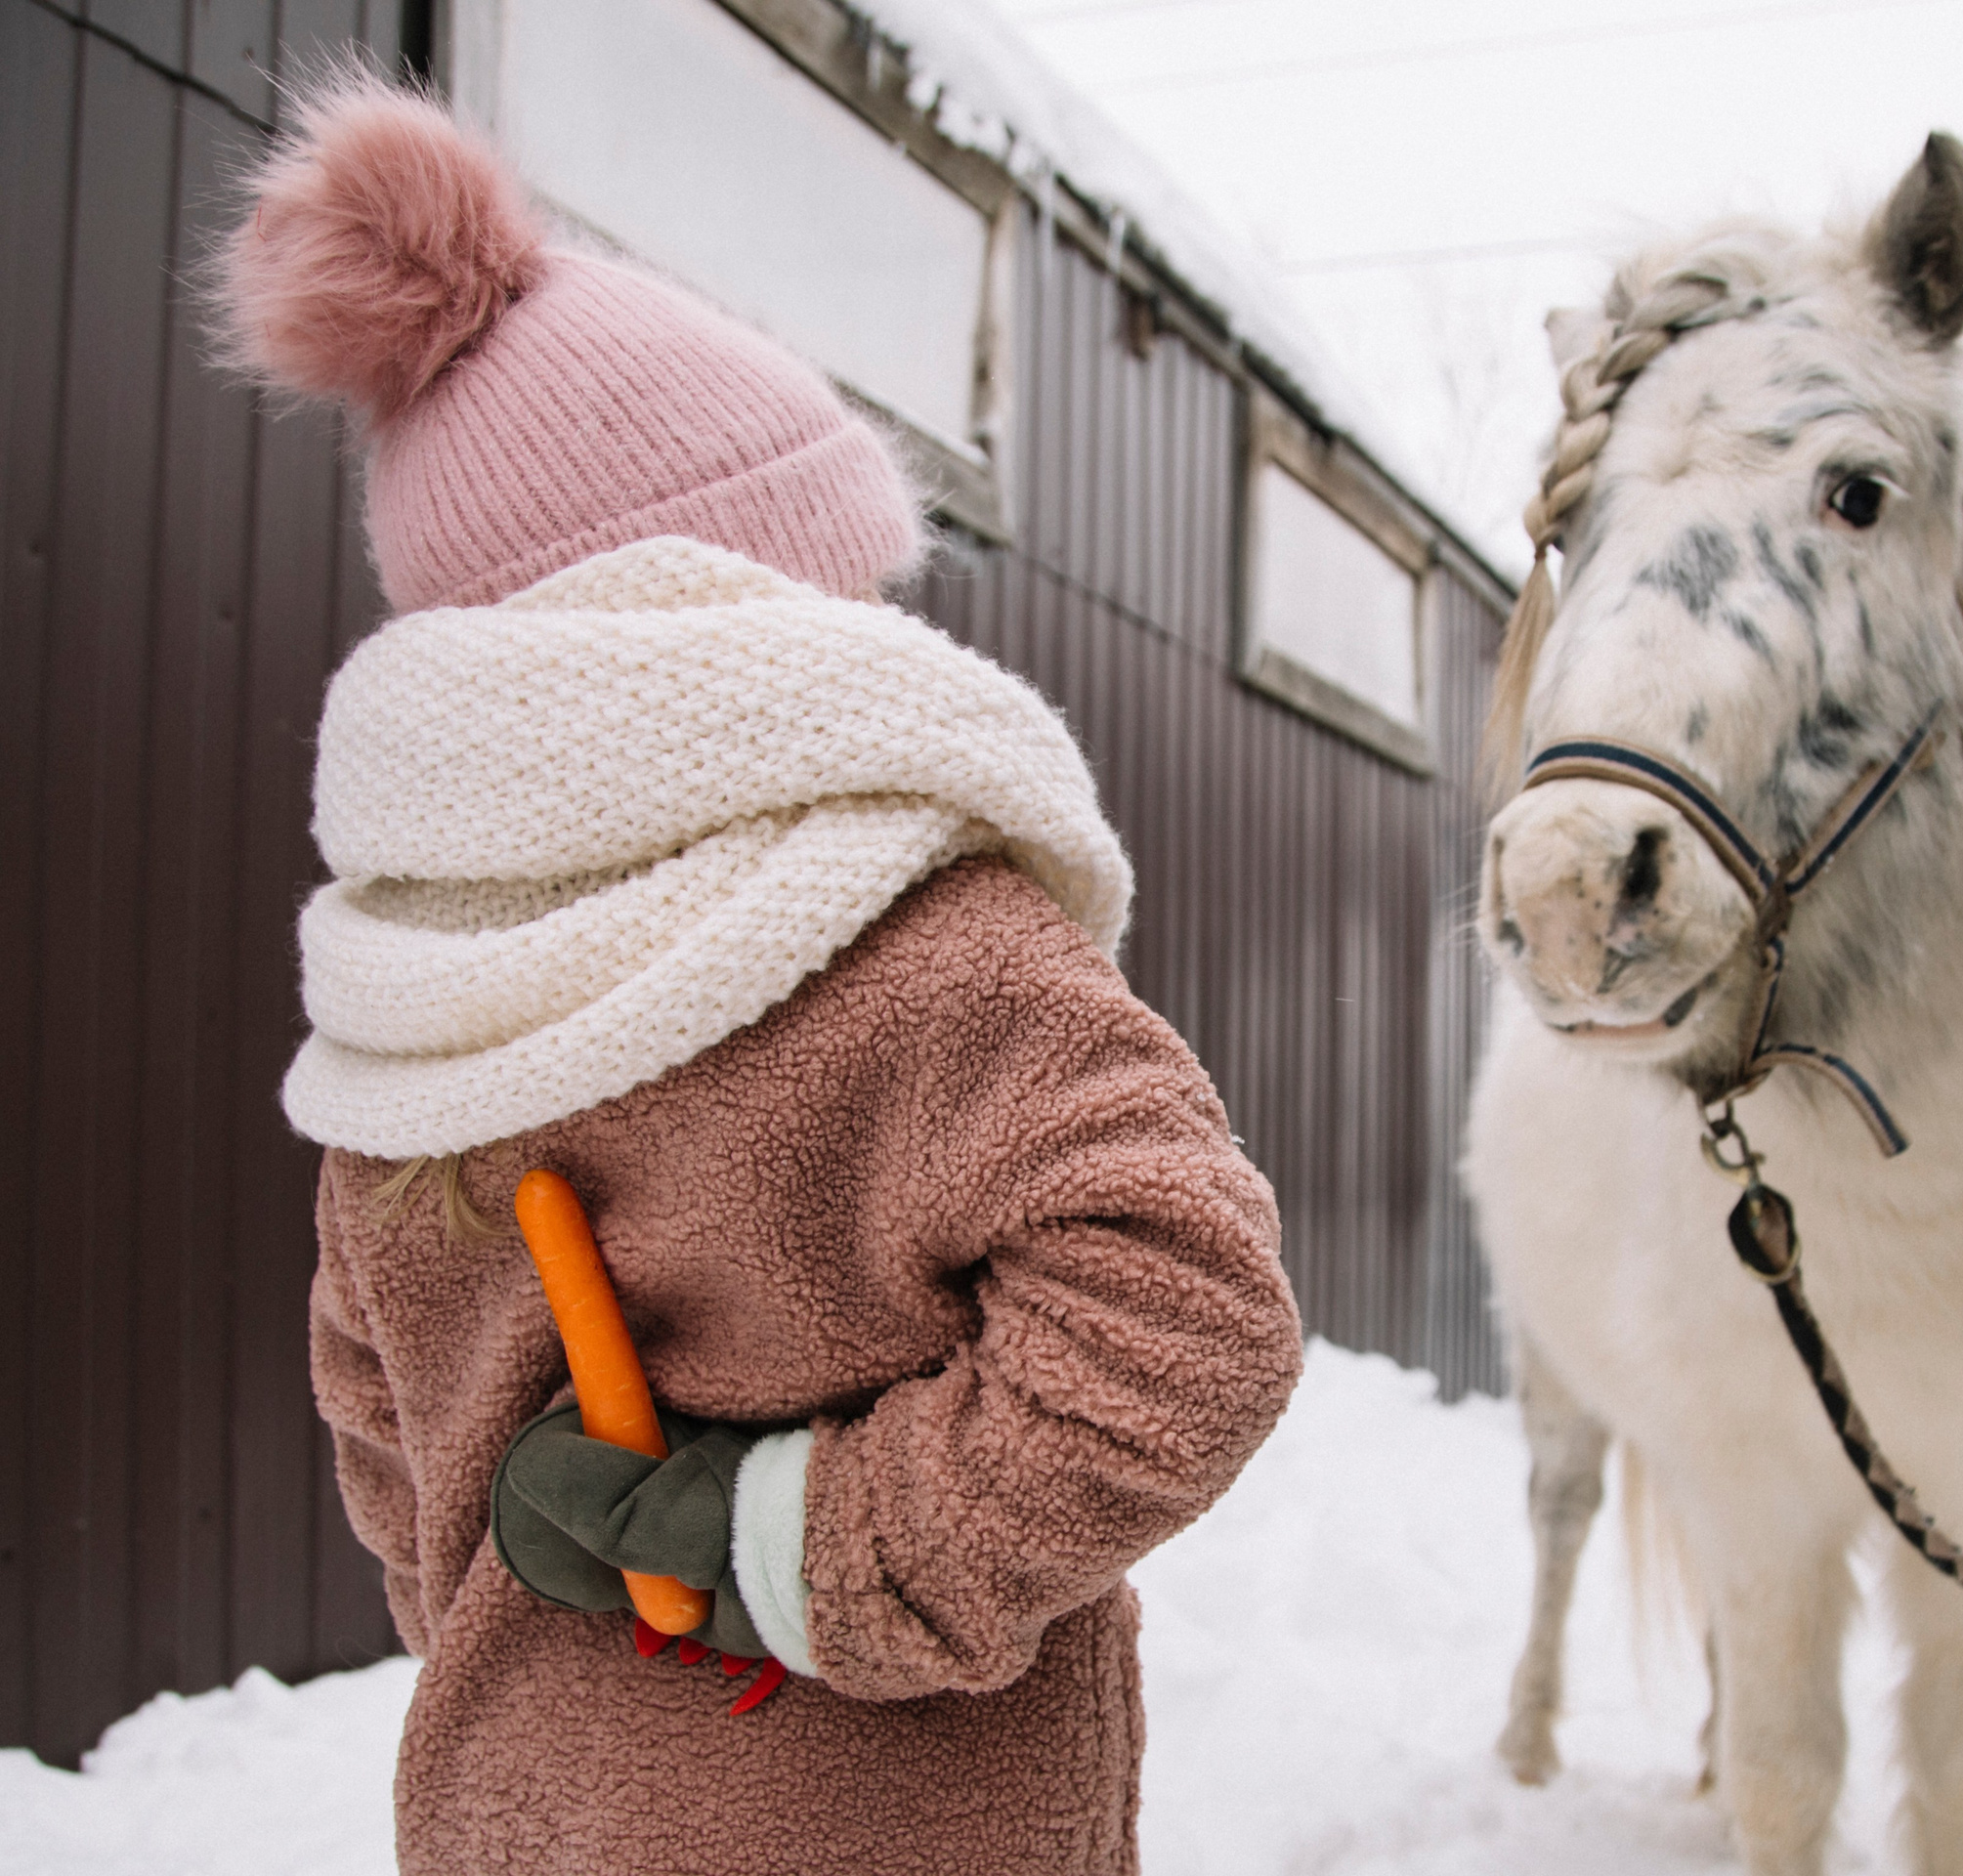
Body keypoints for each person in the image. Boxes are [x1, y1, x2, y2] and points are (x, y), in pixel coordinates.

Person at [216, 77, 1302, 1876]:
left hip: (521, 1814)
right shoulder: (927, 951)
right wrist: (818, 1549)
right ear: (746, 614)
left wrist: (561, 1682)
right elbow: (1188, 1314)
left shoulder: (408, 1008)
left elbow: (385, 1441)